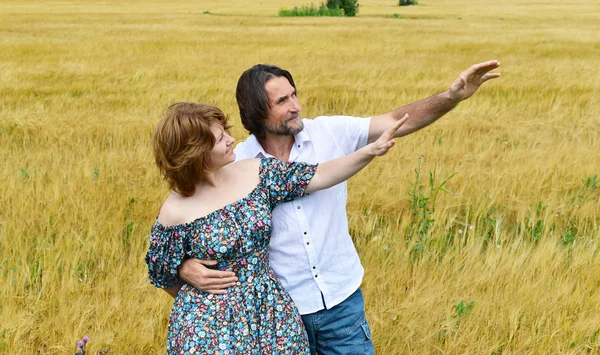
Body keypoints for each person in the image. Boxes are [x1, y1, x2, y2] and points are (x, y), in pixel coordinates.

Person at [176, 60, 501, 354]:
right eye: (283, 101)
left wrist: (452, 96)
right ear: (256, 112)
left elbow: (397, 120)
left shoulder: (328, 132)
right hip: (277, 317)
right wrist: (181, 268)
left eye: (294, 95)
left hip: (341, 303)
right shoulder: (238, 164)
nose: (296, 106)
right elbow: (192, 221)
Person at [145, 102, 408, 354]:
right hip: (208, 331)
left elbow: (320, 175)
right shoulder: (174, 211)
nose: (230, 139)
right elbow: (161, 274)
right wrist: (194, 282)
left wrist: (369, 151)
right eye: (219, 137)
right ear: (195, 152)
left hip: (271, 316)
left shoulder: (256, 172)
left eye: (225, 131)